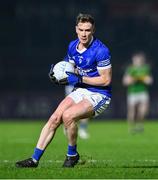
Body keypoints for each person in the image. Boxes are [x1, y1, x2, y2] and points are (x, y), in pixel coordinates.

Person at [15, 13, 112, 168]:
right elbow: (70, 67)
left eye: (87, 30)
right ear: (76, 29)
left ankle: (71, 155)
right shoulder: (72, 46)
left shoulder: (101, 50)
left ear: (93, 30)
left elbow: (106, 80)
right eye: (81, 29)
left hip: (99, 94)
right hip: (81, 90)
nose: (84, 34)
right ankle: (34, 160)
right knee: (54, 118)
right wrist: (58, 74)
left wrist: (79, 79)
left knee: (68, 116)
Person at [122, 52, 153, 133]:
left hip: (143, 92)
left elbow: (150, 80)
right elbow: (125, 82)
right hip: (132, 92)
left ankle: (139, 124)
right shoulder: (130, 69)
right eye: (136, 60)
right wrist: (133, 80)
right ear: (133, 60)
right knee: (132, 111)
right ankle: (131, 127)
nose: (137, 61)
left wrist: (144, 79)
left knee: (144, 110)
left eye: (139, 60)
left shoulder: (145, 68)